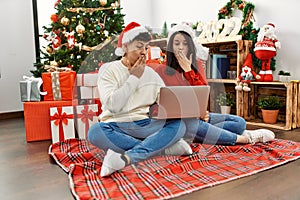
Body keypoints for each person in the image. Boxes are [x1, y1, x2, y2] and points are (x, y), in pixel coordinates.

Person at [88, 22, 192, 177]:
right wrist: (134, 77)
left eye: (146, 47)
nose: (143, 52)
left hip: (144, 125)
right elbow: (113, 105)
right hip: (115, 126)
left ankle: (126, 158)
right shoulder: (109, 70)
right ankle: (163, 149)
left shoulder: (151, 74)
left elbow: (166, 100)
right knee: (95, 132)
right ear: (124, 48)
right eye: (138, 47)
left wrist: (179, 106)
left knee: (179, 125)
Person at [155, 24, 275, 146]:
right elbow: (158, 101)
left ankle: (200, 134)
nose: (181, 47)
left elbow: (202, 92)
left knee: (239, 123)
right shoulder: (161, 70)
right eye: (176, 43)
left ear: (190, 46)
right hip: (178, 120)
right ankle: (245, 138)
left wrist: (188, 71)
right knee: (191, 125)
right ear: (170, 46)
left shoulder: (196, 64)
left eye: (185, 44)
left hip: (197, 115)